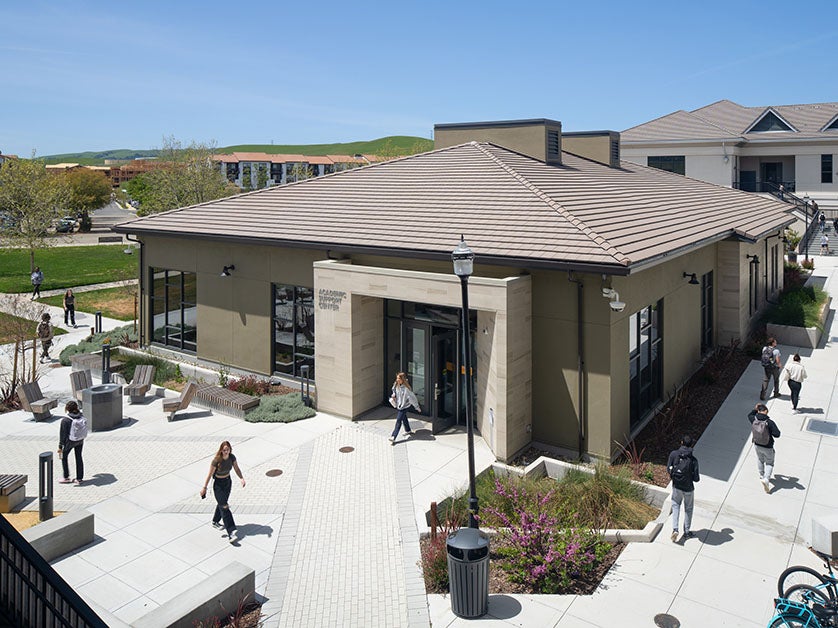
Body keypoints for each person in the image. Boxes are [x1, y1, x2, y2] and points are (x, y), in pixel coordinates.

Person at [200, 441, 245, 543]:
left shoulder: (232, 458)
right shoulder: (216, 460)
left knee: (222, 503)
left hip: (227, 483)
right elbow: (209, 474)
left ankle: (215, 521)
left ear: (230, 450)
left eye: (227, 450)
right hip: (218, 485)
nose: (226, 452)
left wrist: (241, 478)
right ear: (221, 450)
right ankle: (231, 532)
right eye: (224, 450)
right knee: (225, 506)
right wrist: (204, 488)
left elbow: (236, 469)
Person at [667, 435, 700, 542]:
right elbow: (696, 479)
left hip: (676, 486)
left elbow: (669, 469)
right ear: (691, 445)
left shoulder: (673, 454)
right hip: (688, 488)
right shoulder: (693, 460)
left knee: (675, 506)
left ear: (681, 442)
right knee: (688, 509)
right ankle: (686, 532)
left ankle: (675, 529)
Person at [748, 403, 781, 493]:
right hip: (768, 446)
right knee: (769, 463)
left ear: (758, 411)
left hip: (757, 444)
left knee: (760, 459)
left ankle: (762, 475)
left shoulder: (753, 419)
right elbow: (777, 434)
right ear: (766, 411)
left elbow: (749, 415)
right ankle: (766, 479)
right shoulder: (769, 422)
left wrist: (755, 408)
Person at [58, 401, 87, 485]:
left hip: (70, 441)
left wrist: (60, 446)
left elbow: (62, 434)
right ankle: (79, 478)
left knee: (64, 456)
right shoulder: (81, 416)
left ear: (67, 409)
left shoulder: (66, 420)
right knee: (78, 457)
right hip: (80, 440)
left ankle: (66, 477)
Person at [389, 372, 421, 444]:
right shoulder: (396, 385)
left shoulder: (406, 389)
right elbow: (393, 390)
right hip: (399, 405)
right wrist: (393, 395)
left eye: (398, 378)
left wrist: (417, 407)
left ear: (402, 379)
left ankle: (393, 436)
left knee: (399, 420)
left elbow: (412, 398)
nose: (397, 380)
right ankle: (408, 430)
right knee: (404, 417)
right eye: (397, 378)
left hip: (404, 406)